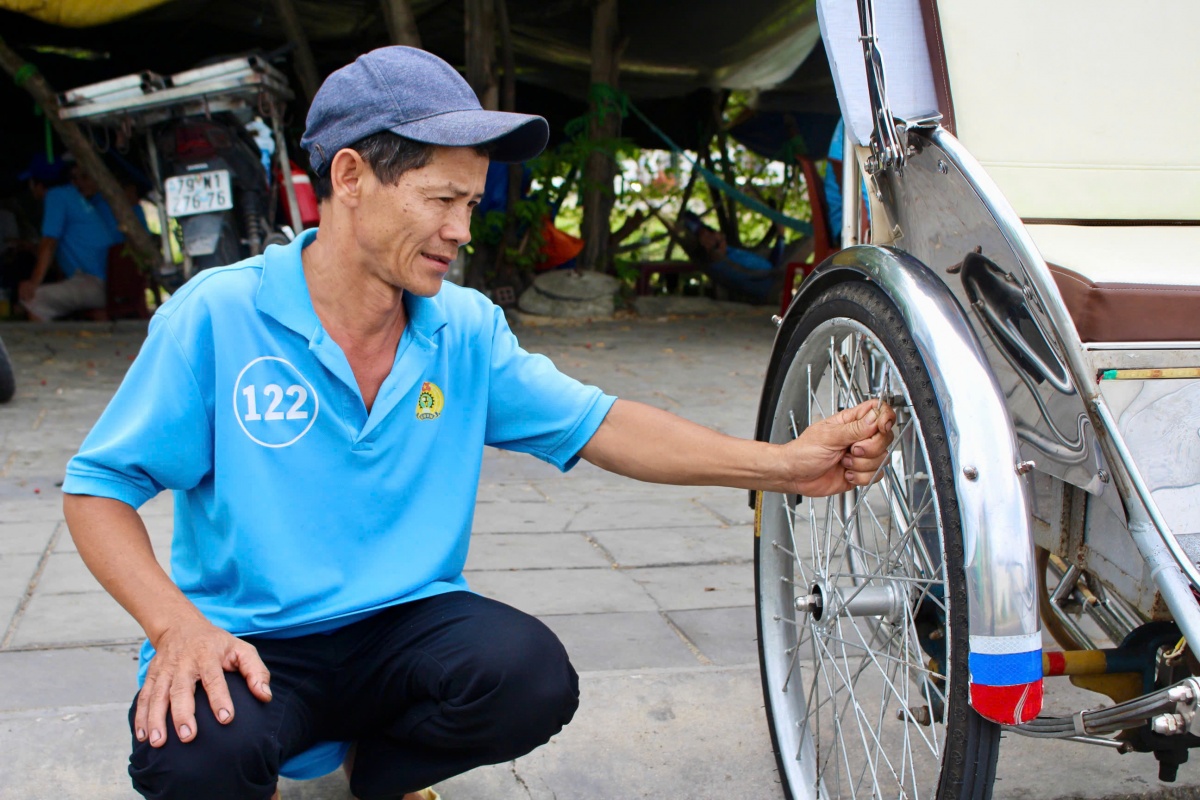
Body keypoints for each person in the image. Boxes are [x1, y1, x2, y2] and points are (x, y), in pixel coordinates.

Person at [61, 47, 895, 800]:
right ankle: (267, 760)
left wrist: (784, 466)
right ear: (349, 178)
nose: (461, 231)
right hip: (255, 641)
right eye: (441, 200)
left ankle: (375, 771)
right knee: (192, 761)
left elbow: (604, 425)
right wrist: (177, 627)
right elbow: (98, 487)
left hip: (403, 629)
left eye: (471, 202)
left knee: (529, 679)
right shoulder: (220, 316)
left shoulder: (462, 329)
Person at [17, 156, 124, 321]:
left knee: (34, 299)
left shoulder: (56, 196)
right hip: (109, 283)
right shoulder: (71, 195)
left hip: (96, 283)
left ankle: (44, 347)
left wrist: (33, 283)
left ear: (38, 184)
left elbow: (49, 243)